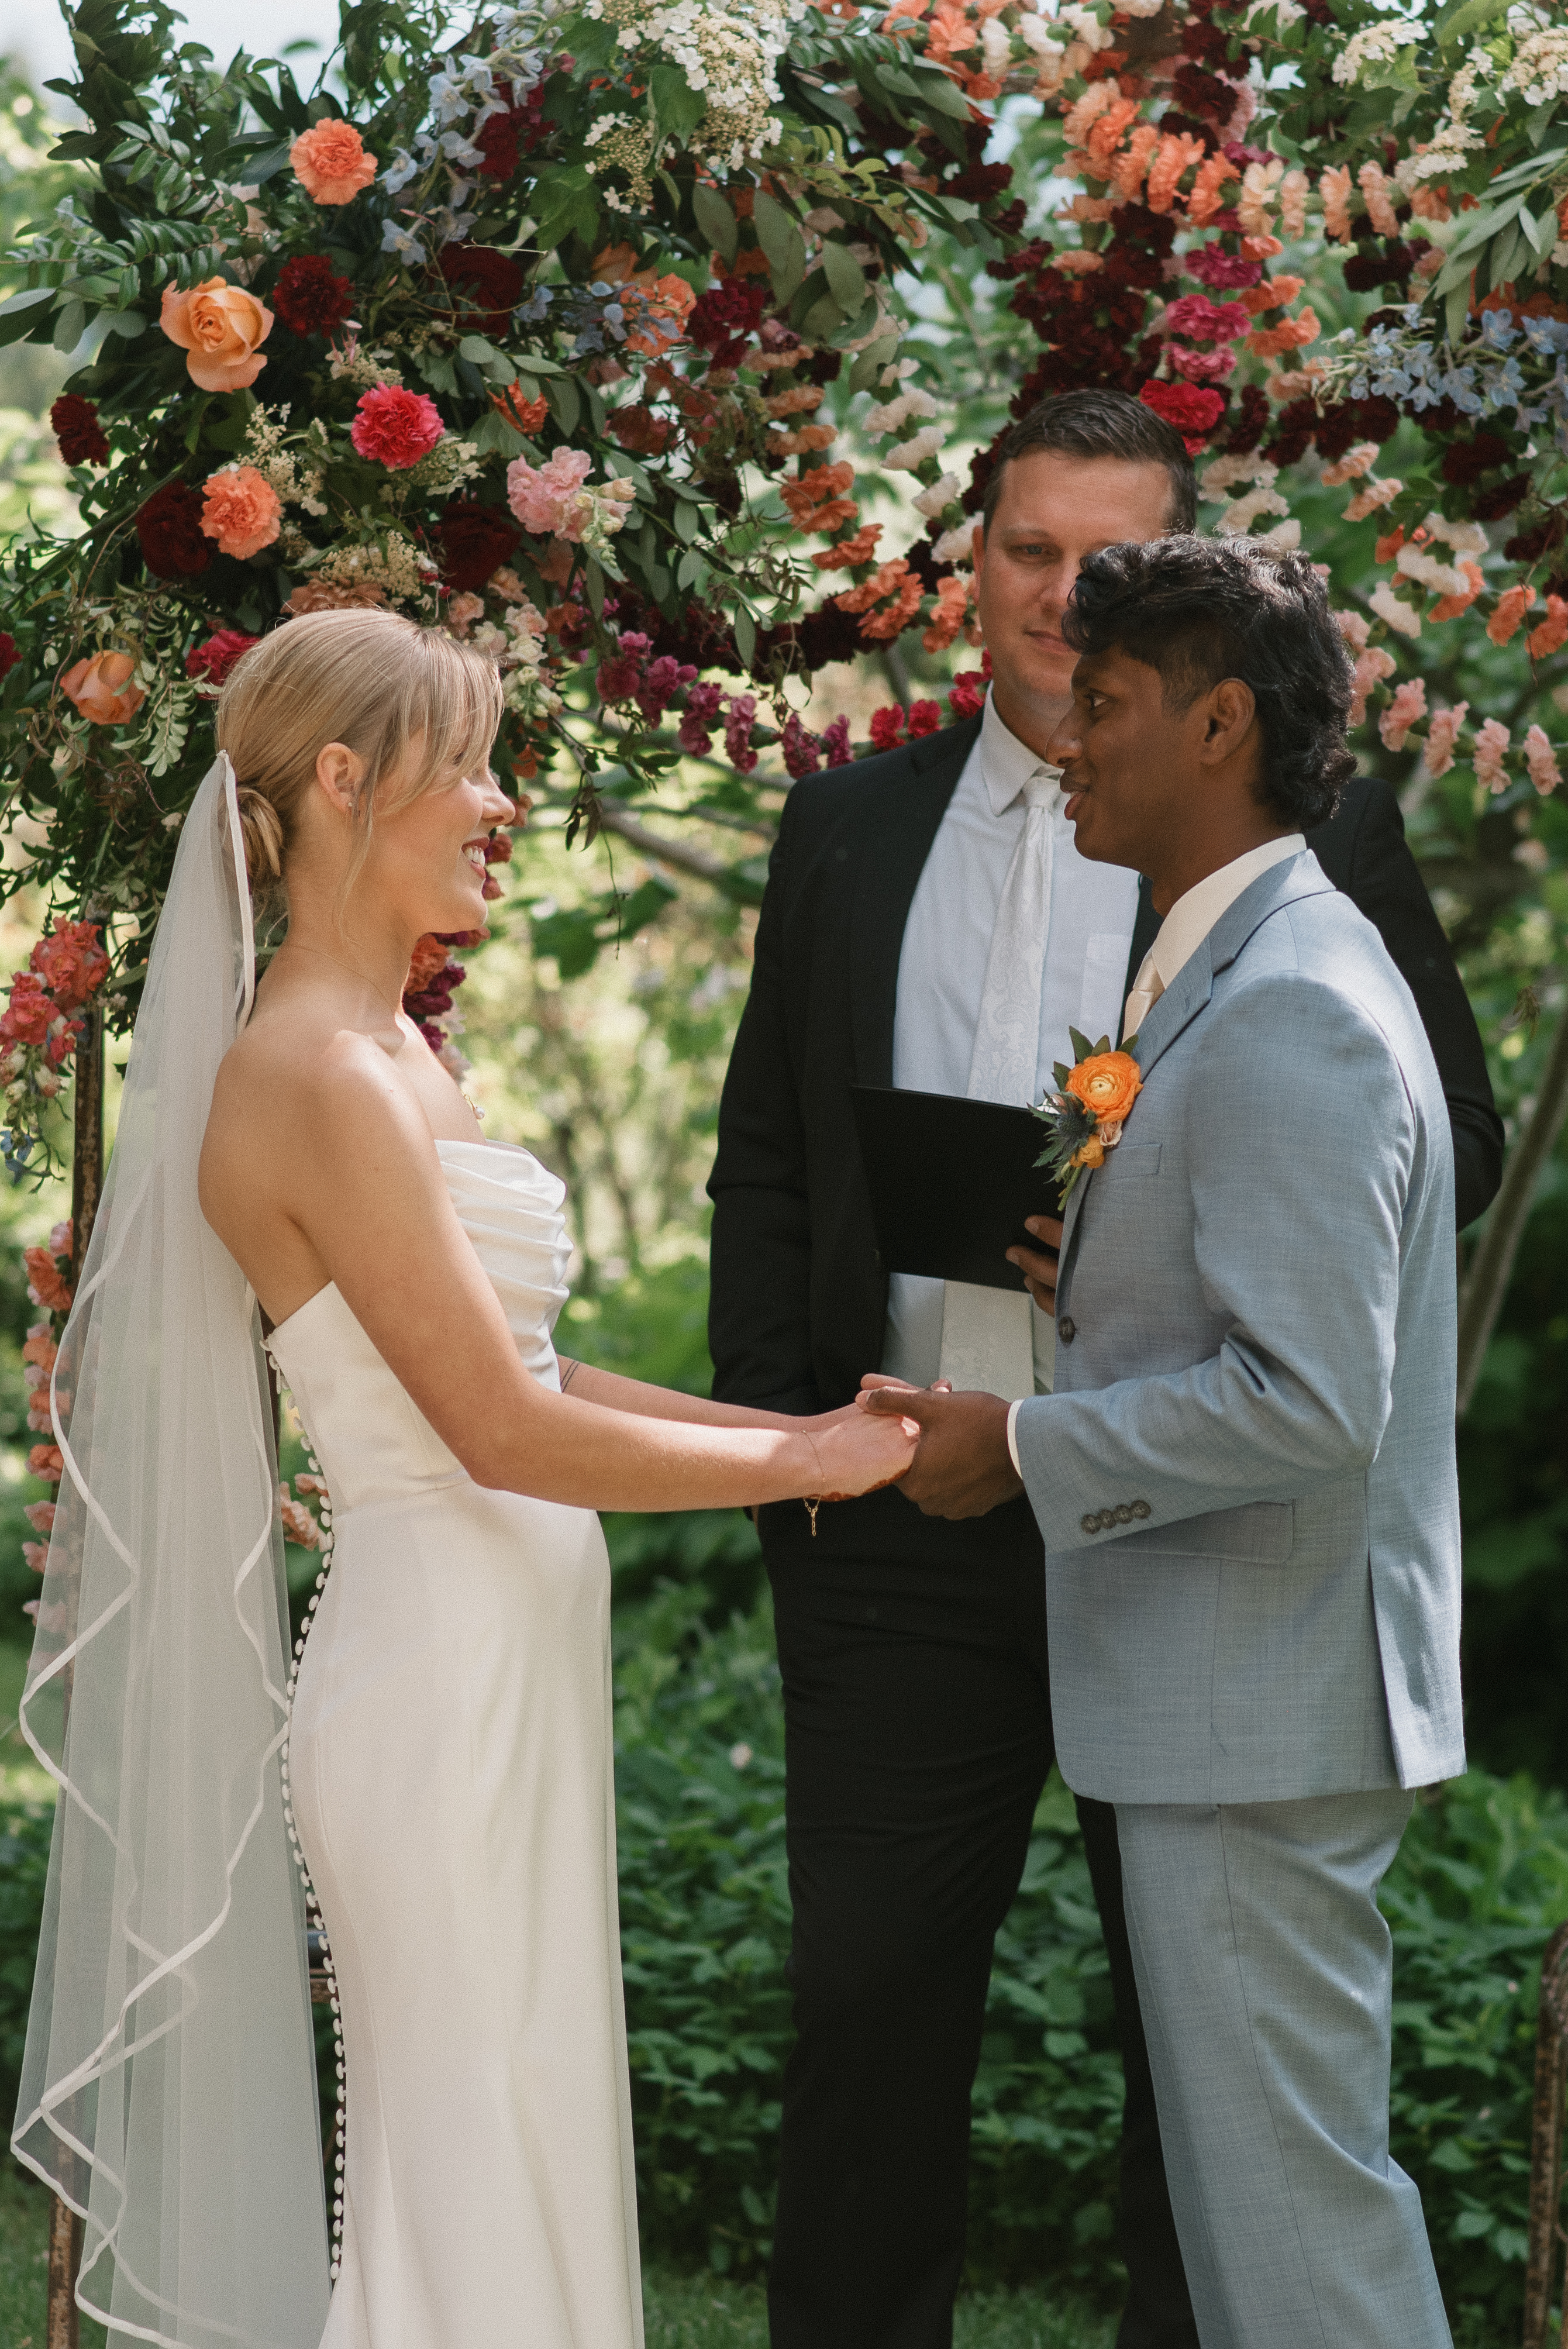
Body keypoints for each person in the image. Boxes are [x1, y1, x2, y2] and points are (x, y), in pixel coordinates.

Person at [11, 607, 917, 2349]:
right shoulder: (318, 1077)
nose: (501, 804)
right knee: (461, 2155)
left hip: (502, 1668)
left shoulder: (398, 1053)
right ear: (347, 780)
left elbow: (529, 1372)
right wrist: (801, 1464)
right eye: (473, 765)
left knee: (518, 2131)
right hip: (433, 1685)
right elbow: (498, 1439)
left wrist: (809, 1438)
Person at [706, 390, 1497, 2349]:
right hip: (915, 1502)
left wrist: (1131, 1272)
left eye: (1114, 606)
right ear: (965, 568)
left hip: (1186, 1553)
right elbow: (765, 1163)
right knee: (888, 2010)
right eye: (1029, 559)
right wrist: (786, 1458)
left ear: (1211, 698)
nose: (1067, 635)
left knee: (1240, 2130)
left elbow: (1371, 1243)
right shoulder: (862, 829)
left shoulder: (1293, 924)